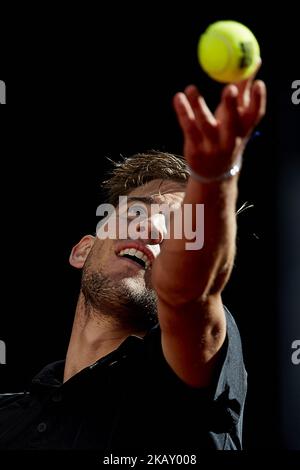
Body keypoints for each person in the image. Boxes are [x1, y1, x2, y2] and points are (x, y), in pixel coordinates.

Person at [0, 74, 266, 453]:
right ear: (82, 250)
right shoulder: (7, 415)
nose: (154, 229)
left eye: (180, 231)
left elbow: (191, 296)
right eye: (137, 211)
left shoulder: (179, 385)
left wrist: (214, 178)